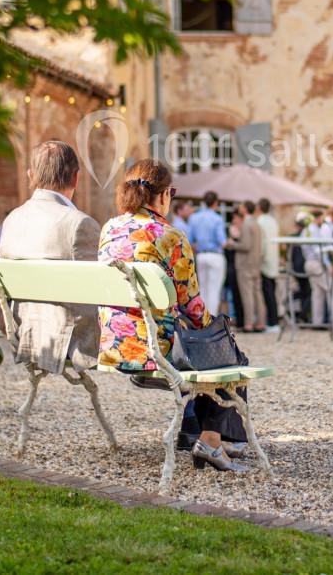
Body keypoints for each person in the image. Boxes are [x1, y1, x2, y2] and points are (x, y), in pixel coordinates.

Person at [98, 159, 248, 473]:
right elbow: (193, 308)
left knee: (213, 350)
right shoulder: (170, 236)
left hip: (116, 343)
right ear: (165, 194)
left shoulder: (110, 229)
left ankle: (206, 434)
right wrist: (216, 326)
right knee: (230, 354)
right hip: (158, 349)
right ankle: (213, 440)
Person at [0, 141, 101, 375]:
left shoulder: (11, 220)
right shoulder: (80, 224)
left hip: (27, 335)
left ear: (30, 175)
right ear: (76, 178)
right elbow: (99, 291)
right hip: (73, 343)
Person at [186, 191, 226, 316]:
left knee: (203, 288)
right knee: (214, 289)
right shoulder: (217, 218)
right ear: (215, 203)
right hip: (215, 255)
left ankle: (202, 318)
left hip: (201, 255)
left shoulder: (194, 218)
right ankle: (211, 318)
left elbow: (190, 240)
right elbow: (222, 241)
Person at [231, 200, 264, 332]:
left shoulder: (246, 224)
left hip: (245, 264)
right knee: (257, 294)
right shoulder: (257, 224)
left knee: (247, 294)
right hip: (256, 263)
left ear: (245, 209)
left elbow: (245, 245)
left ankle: (248, 324)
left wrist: (232, 244)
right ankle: (260, 323)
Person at [303, 208, 333, 325]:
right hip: (316, 263)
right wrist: (328, 265)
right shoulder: (315, 230)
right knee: (330, 288)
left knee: (317, 293)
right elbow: (318, 250)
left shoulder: (306, 230)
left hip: (308, 262)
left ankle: (317, 321)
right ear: (318, 218)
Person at [255, 198, 281, 332]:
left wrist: (258, 259)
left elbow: (261, 243)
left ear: (259, 207)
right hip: (273, 259)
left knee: (267, 293)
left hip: (265, 261)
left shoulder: (260, 221)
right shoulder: (273, 221)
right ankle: (274, 321)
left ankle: (272, 323)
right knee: (272, 293)